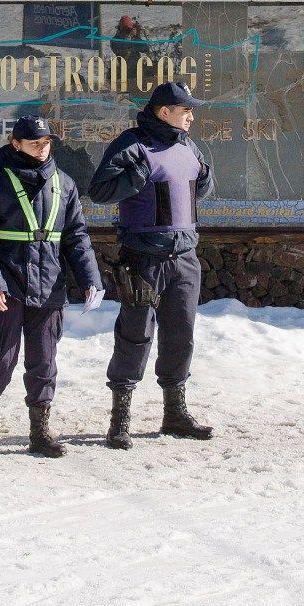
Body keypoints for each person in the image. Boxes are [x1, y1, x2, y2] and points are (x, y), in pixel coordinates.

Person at [0, 116, 102, 458]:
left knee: (44, 360)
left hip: (49, 285)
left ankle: (40, 432)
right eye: (35, 143)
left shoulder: (64, 184)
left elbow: (76, 238)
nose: (42, 148)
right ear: (15, 144)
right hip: (7, 285)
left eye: (46, 142)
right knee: (0, 357)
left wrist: (90, 279)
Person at [89, 80, 215, 449]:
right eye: (185, 110)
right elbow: (99, 192)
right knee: (135, 334)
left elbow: (202, 188)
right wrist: (136, 176)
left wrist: (204, 176)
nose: (191, 116)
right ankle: (120, 420)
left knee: (181, 334)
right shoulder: (132, 144)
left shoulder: (187, 144)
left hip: (185, 257)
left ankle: (174, 414)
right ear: (165, 112)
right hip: (144, 258)